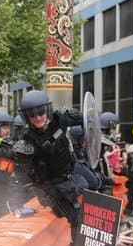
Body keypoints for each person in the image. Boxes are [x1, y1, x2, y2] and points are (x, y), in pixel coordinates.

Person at [13, 90, 90, 232]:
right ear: (26, 117)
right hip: (52, 186)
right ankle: (78, 245)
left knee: (98, 183)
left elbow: (88, 121)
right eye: (32, 114)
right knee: (77, 216)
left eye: (40, 112)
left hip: (71, 170)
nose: (37, 117)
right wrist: (18, 202)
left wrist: (83, 125)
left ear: (47, 110)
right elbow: (21, 175)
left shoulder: (60, 119)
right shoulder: (27, 140)